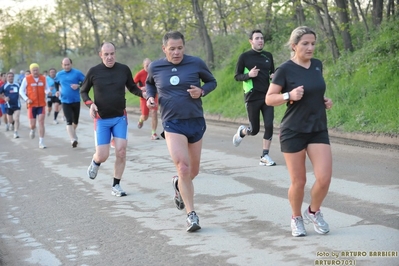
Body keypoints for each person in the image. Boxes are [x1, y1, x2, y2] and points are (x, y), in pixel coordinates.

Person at [265, 26, 333, 237]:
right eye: (305, 43)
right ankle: (296, 217)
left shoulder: (317, 65)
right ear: (294, 46)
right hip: (293, 130)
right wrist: (289, 95)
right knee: (299, 181)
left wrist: (323, 100)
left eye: (313, 43)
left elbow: (314, 90)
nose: (310, 47)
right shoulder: (284, 69)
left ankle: (313, 211)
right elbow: (269, 98)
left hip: (317, 128)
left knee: (324, 178)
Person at [146, 31, 217, 232]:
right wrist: (151, 97)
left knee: (192, 171)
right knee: (184, 167)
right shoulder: (156, 66)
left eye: (180, 48)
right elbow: (150, 84)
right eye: (172, 49)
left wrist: (202, 91)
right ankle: (191, 215)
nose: (176, 52)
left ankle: (178, 185)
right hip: (172, 123)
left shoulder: (195, 63)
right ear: (164, 49)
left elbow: (212, 81)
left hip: (195, 121)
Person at [80, 42, 143, 197]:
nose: (109, 57)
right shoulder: (94, 71)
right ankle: (95, 162)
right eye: (106, 54)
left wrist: (144, 94)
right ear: (101, 55)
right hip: (101, 119)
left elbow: (133, 87)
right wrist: (90, 104)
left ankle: (116, 185)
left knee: (121, 151)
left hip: (119, 117)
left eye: (112, 53)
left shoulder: (123, 69)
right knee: (103, 155)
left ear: (115, 53)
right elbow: (83, 91)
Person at [232, 29, 276, 166]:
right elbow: (237, 76)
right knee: (254, 130)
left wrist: (273, 76)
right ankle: (242, 131)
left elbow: (272, 72)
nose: (260, 40)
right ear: (251, 41)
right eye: (257, 38)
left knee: (269, 125)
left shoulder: (268, 56)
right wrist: (248, 75)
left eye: (262, 38)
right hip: (252, 97)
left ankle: (265, 156)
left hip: (267, 96)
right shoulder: (244, 57)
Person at [55, 58, 85, 147]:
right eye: (65, 65)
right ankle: (73, 140)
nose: (66, 66)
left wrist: (78, 85)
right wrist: (57, 91)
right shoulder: (59, 74)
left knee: (75, 122)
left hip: (76, 100)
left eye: (68, 64)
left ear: (71, 64)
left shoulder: (77, 73)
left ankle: (72, 132)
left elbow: (86, 82)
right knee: (69, 121)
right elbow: (56, 82)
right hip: (65, 100)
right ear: (62, 65)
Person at [19, 63, 49, 149]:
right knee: (32, 124)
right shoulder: (27, 79)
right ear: (31, 71)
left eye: (36, 70)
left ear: (39, 70)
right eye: (33, 70)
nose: (35, 72)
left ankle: (41, 142)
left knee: (41, 122)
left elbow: (46, 88)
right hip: (32, 104)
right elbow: (21, 91)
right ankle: (32, 129)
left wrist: (47, 92)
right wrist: (26, 99)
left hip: (41, 104)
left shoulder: (43, 78)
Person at [134, 58, 160, 140]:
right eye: (146, 66)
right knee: (145, 116)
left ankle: (153, 133)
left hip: (154, 95)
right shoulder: (140, 74)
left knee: (154, 112)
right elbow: (132, 85)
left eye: (150, 65)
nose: (148, 67)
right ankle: (141, 120)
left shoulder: (155, 72)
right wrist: (141, 88)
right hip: (144, 97)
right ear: (143, 66)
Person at [0, 72, 21, 138]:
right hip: (8, 106)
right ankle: (12, 123)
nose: (11, 77)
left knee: (17, 118)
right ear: (7, 77)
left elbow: (22, 92)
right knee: (10, 120)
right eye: (9, 76)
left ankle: (16, 132)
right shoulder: (4, 86)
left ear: (13, 77)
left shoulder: (17, 85)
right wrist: (4, 98)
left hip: (17, 105)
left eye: (12, 76)